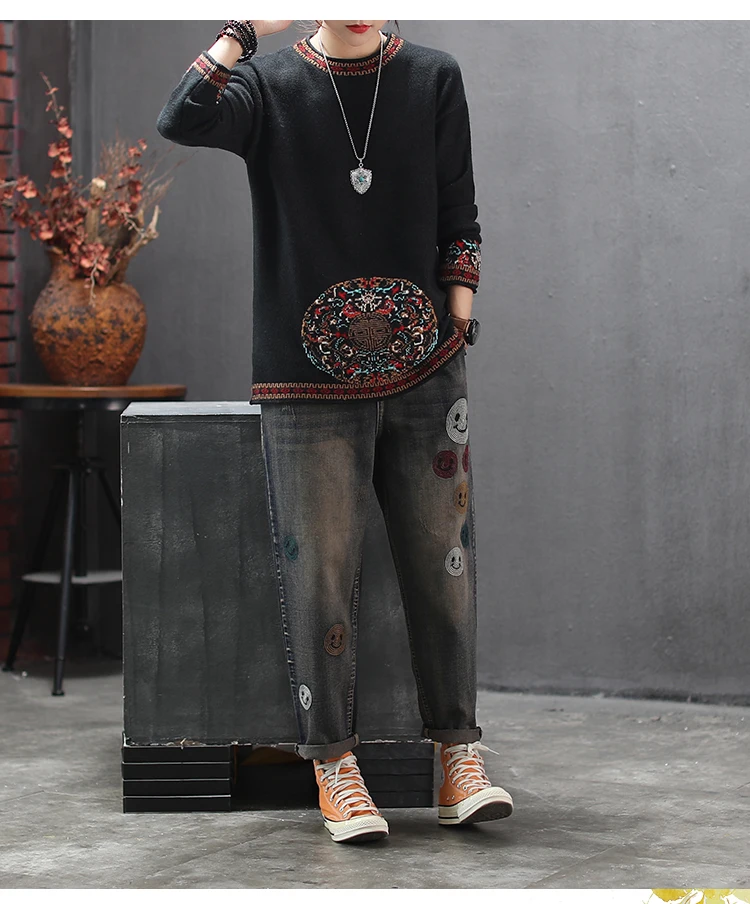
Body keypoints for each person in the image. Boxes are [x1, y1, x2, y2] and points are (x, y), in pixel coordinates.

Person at [156, 19, 514, 844]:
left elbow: (458, 207)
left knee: (446, 565)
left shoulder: (432, 76)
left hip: (428, 369)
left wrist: (458, 321)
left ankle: (458, 757)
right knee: (318, 571)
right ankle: (334, 767)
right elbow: (182, 117)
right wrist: (241, 33)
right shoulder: (268, 86)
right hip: (303, 376)